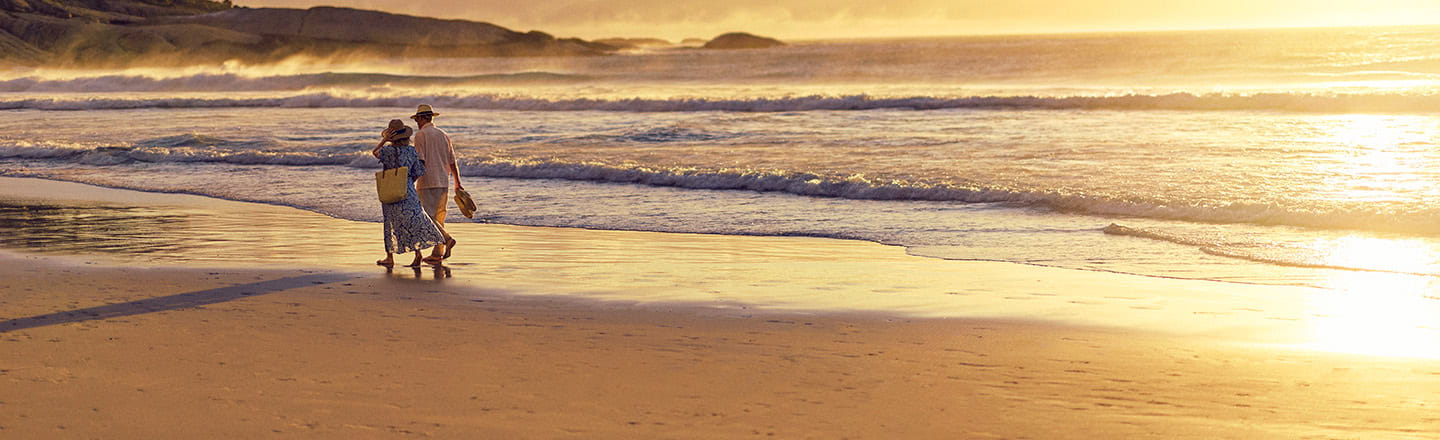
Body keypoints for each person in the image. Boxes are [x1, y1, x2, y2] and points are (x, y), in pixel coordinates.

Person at [372, 119, 446, 267]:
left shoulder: (387, 151)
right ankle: (418, 255)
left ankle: (390, 258)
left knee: (391, 222)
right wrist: (407, 182)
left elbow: (375, 152)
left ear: (392, 137)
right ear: (406, 137)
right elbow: (419, 171)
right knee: (412, 222)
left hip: (390, 191)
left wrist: (384, 140)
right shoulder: (412, 151)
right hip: (408, 191)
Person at [410, 104, 462, 264]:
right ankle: (437, 253)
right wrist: (457, 183)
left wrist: (412, 181)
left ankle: (447, 239)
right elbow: (452, 161)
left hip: (427, 181)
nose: (417, 122)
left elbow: (421, 160)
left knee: (428, 217)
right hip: (443, 181)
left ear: (422, 118)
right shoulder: (443, 134)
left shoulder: (420, 135)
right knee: (439, 216)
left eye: (417, 118)